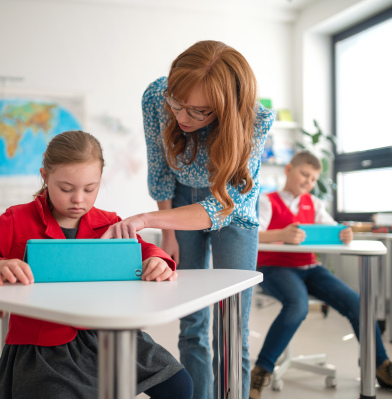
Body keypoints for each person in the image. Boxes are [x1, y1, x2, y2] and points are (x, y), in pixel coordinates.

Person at [0, 130, 193, 399]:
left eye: (90, 189)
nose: (79, 199)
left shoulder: (109, 222)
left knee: (179, 384)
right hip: (44, 345)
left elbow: (145, 248)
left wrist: (157, 260)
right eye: (66, 189)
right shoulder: (17, 219)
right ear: (45, 177)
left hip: (107, 333)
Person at [101, 40, 276, 399]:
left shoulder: (255, 120)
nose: (182, 117)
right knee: (192, 323)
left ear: (226, 109)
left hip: (233, 210)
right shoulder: (156, 96)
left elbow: (221, 206)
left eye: (199, 112)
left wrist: (148, 219)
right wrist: (167, 228)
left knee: (232, 328)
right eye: (178, 104)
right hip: (179, 199)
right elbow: (159, 169)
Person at [249, 150, 392, 399]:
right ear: (289, 170)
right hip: (277, 268)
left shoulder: (315, 203)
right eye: (304, 175)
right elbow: (253, 235)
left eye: (312, 179)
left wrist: (344, 234)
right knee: (297, 305)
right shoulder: (267, 201)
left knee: (358, 303)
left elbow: (333, 229)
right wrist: (281, 234)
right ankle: (261, 369)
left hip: (311, 269)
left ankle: (382, 368)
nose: (308, 182)